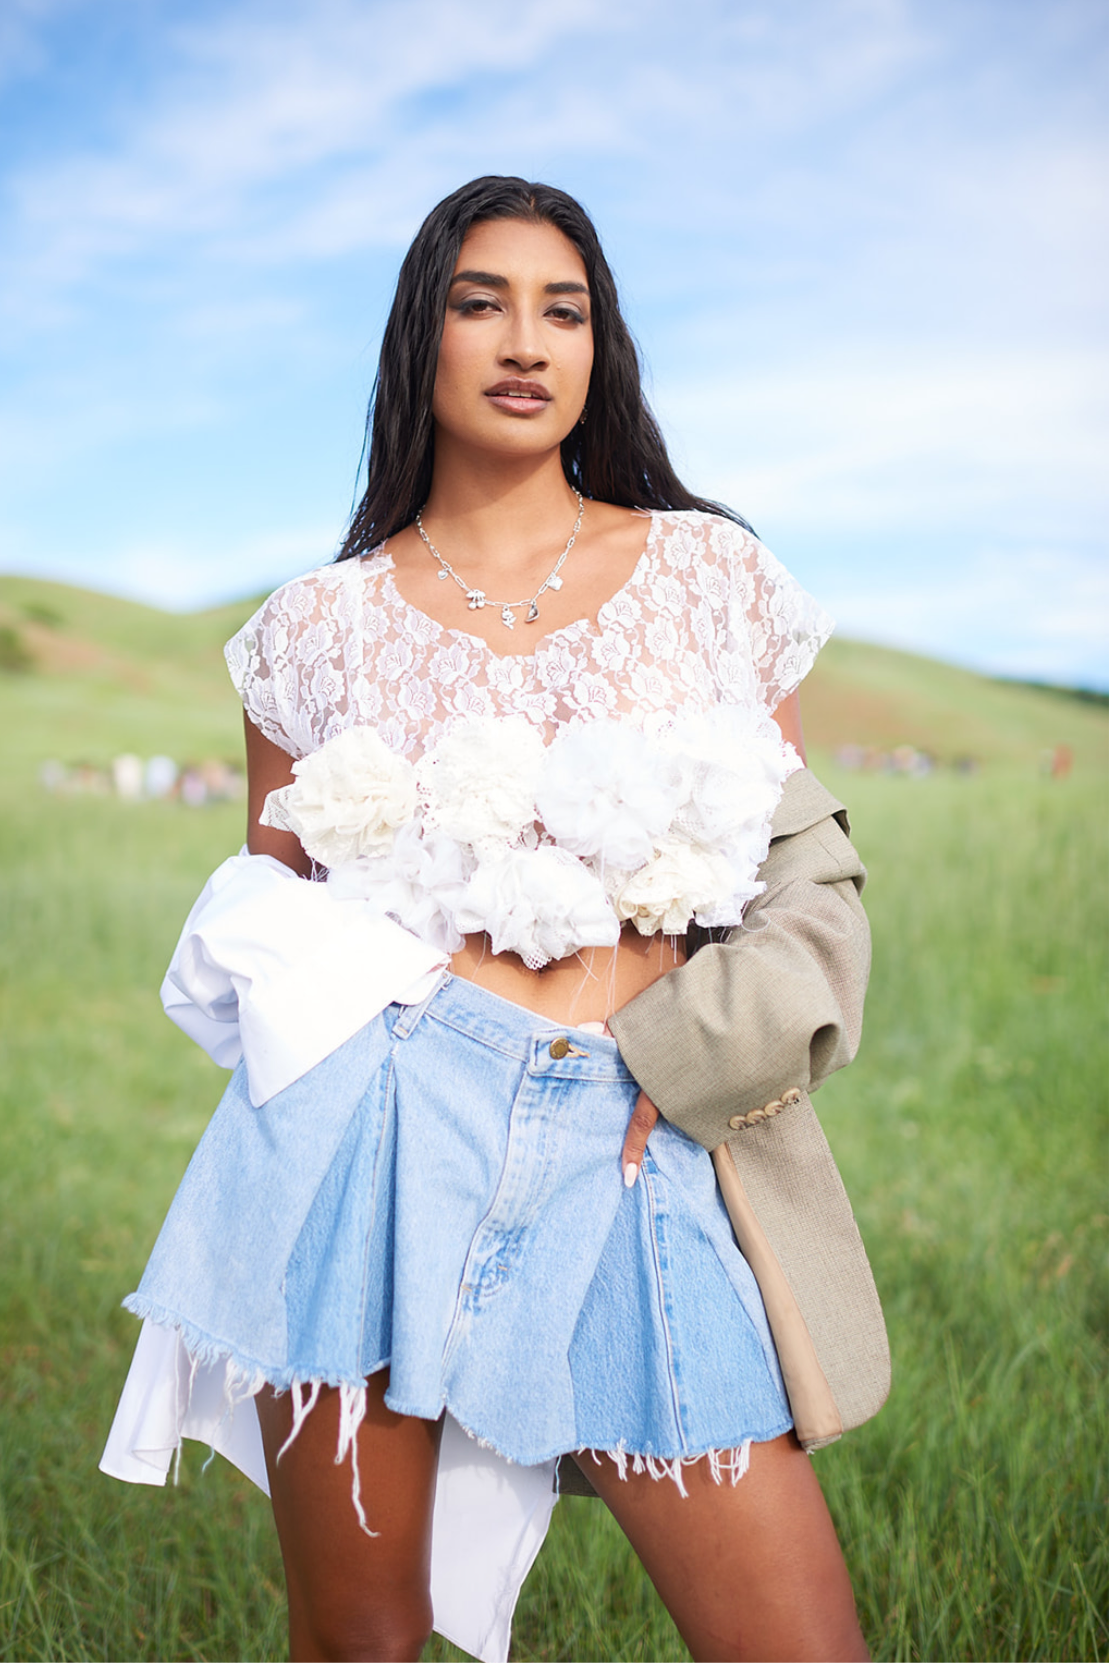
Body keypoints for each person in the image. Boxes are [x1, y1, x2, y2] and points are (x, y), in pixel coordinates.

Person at [102, 176, 877, 1663]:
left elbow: (792, 873)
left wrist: (692, 1055)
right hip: (367, 1135)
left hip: (642, 1132)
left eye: (563, 308)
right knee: (362, 1640)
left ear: (600, 349)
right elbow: (287, 921)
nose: (526, 340)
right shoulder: (309, 630)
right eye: (482, 301)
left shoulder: (712, 574)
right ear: (423, 339)